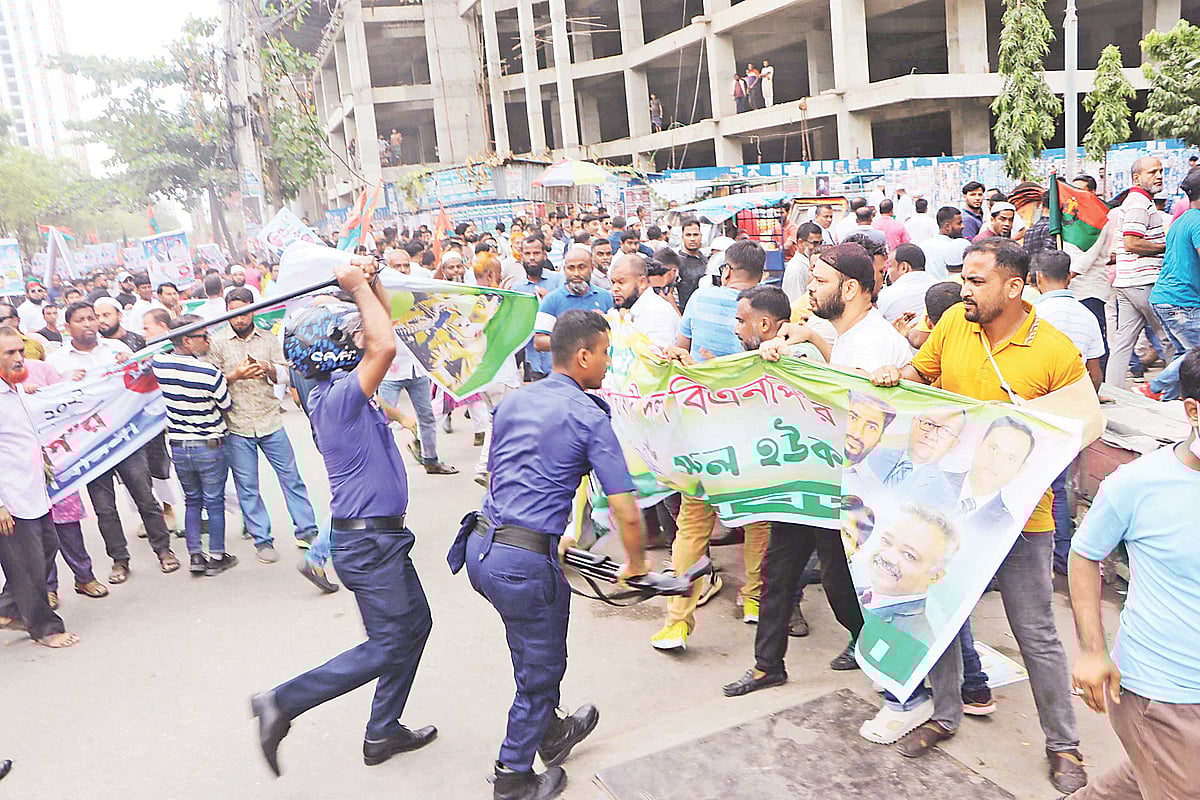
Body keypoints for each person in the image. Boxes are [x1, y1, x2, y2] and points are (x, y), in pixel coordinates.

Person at [868, 238, 1089, 794]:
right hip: (950, 506)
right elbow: (921, 375)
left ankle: (1063, 745)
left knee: (1035, 632)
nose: (964, 290)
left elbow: (1082, 427)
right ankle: (945, 715)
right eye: (963, 279)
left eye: (977, 281)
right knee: (941, 614)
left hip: (1022, 518)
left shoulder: (1055, 351)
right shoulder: (952, 326)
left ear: (1014, 286)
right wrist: (897, 376)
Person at [254, 256, 436, 778]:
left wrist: (369, 284)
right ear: (329, 349)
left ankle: (383, 731)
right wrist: (355, 287)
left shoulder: (336, 388)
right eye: (349, 334)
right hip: (369, 546)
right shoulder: (335, 400)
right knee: (390, 643)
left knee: (414, 627)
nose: (361, 337)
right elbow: (385, 346)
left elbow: (382, 329)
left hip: (380, 540)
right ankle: (282, 702)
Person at [457, 310, 647, 800]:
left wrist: (549, 536)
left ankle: (551, 731)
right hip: (521, 564)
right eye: (605, 353)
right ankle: (512, 777)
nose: (608, 362)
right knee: (540, 669)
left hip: (482, 546)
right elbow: (626, 511)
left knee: (531, 641)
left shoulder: (514, 401)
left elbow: (505, 476)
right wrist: (635, 564)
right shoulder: (589, 415)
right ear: (583, 356)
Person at [728, 243, 911, 694]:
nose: (809, 288)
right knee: (778, 571)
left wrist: (802, 351)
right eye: (810, 277)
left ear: (850, 289)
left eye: (819, 280)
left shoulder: (874, 339)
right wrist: (794, 346)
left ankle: (885, 654)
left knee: (842, 583)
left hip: (849, 483)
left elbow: (853, 398)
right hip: (813, 473)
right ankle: (767, 665)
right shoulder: (839, 331)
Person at [1066, 347, 1200, 800]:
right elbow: (1084, 555)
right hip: (1164, 693)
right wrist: (1092, 651)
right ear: (1193, 411)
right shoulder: (1137, 484)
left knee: (1142, 779)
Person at [651, 241, 772, 650]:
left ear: (726, 270)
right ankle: (754, 598)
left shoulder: (701, 299)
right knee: (758, 519)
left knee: (693, 523)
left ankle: (676, 622)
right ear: (762, 274)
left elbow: (681, 353)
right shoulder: (769, 307)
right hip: (753, 430)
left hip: (703, 428)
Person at [48, 302, 179, 583]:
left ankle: (163, 550)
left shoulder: (116, 349)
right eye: (80, 319)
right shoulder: (58, 361)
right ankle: (119, 559)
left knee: (145, 496)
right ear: (67, 327)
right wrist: (65, 382)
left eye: (91, 318)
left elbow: (139, 379)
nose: (88, 323)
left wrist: (129, 363)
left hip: (124, 438)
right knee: (104, 508)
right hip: (89, 446)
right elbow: (52, 401)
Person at [206, 289, 319, 563]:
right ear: (227, 313)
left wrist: (268, 368)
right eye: (234, 313)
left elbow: (286, 374)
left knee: (291, 478)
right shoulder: (217, 343)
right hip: (237, 424)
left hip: (270, 420)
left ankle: (307, 531)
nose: (239, 318)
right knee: (248, 486)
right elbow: (209, 382)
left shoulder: (268, 339)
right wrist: (235, 375)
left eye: (244, 312)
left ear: (253, 310)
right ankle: (262, 540)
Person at [0, 324, 80, 649]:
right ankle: (45, 628)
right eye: (10, 353)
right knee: (28, 566)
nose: (20, 358)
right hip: (11, 500)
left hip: (33, 491)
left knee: (47, 548)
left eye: (21, 350)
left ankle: (8, 610)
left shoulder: (15, 388)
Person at [150, 315, 238, 577]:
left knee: (192, 501)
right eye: (203, 336)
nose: (208, 340)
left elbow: (158, 349)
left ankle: (195, 556)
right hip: (209, 444)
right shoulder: (209, 372)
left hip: (179, 445)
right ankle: (217, 556)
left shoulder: (160, 364)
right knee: (214, 502)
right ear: (187, 341)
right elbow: (226, 404)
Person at [1106, 156, 1175, 389]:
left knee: (1123, 343)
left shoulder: (1137, 201)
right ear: (1136, 178)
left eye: (1160, 171)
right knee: (1169, 338)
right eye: (1152, 172)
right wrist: (1166, 246)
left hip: (1128, 281)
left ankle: (1114, 391)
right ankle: (1176, 392)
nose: (1159, 176)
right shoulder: (1139, 204)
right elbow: (1132, 243)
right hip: (1143, 281)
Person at [1143, 169, 1200, 402]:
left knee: (1184, 353)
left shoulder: (1183, 220)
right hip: (1182, 301)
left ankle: (1167, 398)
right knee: (1195, 354)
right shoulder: (1197, 221)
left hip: (1167, 297)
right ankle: (1154, 388)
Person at [531, 247, 614, 354]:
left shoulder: (606, 297)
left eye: (581, 267)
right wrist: (574, 341)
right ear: (564, 270)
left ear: (592, 268)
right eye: (571, 268)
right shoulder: (551, 300)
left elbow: (616, 335)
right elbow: (539, 342)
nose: (576, 273)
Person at [513, 236, 565, 382]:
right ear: (521, 256)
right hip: (533, 364)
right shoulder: (517, 288)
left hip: (560, 362)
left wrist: (550, 300)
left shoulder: (559, 281)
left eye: (536, 253)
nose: (532, 258)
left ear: (544, 254)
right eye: (527, 254)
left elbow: (569, 314)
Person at [609, 253, 679, 348]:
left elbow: (659, 356)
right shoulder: (618, 311)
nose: (615, 288)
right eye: (613, 282)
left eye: (621, 282)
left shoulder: (656, 313)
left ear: (642, 282)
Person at [877, 243, 938, 323]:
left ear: (904, 267)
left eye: (890, 266)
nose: (888, 273)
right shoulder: (939, 287)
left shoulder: (885, 296)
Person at [783, 222, 824, 305]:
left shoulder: (808, 263)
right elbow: (795, 302)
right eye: (815, 243)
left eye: (821, 243)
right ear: (801, 243)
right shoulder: (796, 269)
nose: (818, 247)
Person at [675, 216, 707, 311]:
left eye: (695, 235)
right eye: (688, 235)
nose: (692, 239)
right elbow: (667, 293)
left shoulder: (706, 259)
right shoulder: (677, 262)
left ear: (701, 236)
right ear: (682, 237)